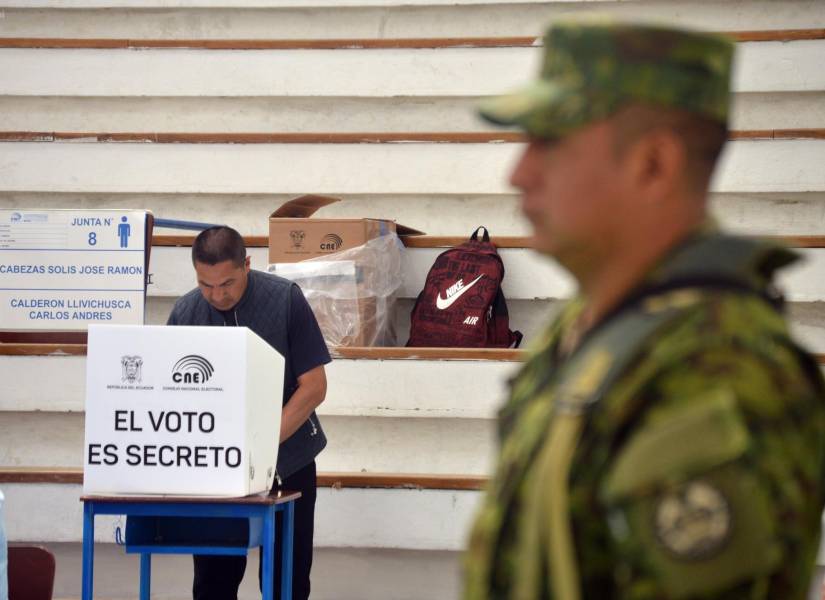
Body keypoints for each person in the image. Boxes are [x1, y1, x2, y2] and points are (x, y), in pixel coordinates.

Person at [463, 20, 825, 600]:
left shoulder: (719, 366)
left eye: (550, 141)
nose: (519, 173)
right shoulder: (598, 322)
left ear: (654, 163)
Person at [168, 225, 329, 600]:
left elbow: (315, 387)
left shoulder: (286, 299)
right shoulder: (186, 312)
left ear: (248, 265)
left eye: (227, 283)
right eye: (206, 284)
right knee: (213, 581)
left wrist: (260, 443)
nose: (217, 295)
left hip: (289, 460)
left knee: (285, 580)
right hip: (215, 471)